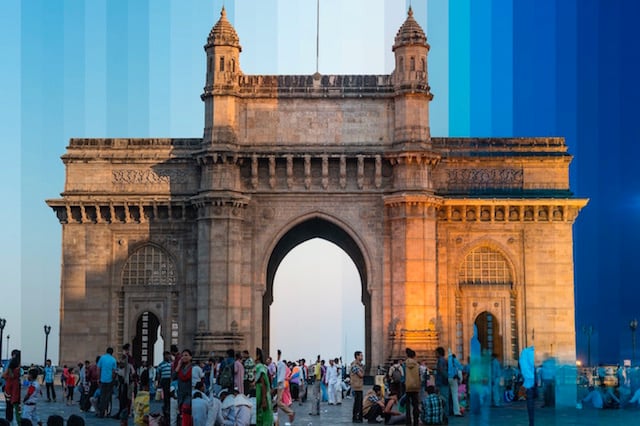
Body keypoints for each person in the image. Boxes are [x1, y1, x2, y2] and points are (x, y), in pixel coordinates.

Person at [96, 347, 118, 418]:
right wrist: (113, 379)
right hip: (110, 381)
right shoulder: (113, 360)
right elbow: (114, 372)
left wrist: (98, 379)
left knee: (102, 397)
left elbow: (98, 369)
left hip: (102, 380)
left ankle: (101, 413)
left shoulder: (102, 358)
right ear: (112, 353)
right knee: (108, 398)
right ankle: (108, 412)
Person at [275, 349, 295, 423]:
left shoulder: (282, 365)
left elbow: (280, 377)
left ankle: (290, 412)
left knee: (278, 402)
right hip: (278, 385)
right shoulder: (276, 364)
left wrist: (275, 386)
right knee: (275, 403)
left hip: (279, 386)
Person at [254, 348, 273, 426]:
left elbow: (263, 383)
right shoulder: (260, 366)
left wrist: (264, 399)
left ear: (258, 356)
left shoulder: (260, 367)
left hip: (261, 393)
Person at [176, 349, 194, 426]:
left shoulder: (194, 368)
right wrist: (178, 365)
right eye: (182, 355)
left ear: (191, 357)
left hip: (190, 395)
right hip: (181, 395)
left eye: (186, 355)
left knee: (186, 411)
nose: (184, 357)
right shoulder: (180, 368)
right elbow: (173, 377)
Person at [3, 349, 22, 424]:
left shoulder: (10, 363)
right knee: (16, 407)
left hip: (8, 388)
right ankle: (17, 421)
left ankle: (9, 421)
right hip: (14, 389)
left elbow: (4, 375)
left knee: (9, 406)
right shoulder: (16, 366)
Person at [403, 348, 421, 426]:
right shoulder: (417, 365)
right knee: (415, 405)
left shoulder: (404, 364)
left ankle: (408, 422)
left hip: (407, 386)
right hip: (415, 386)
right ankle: (416, 422)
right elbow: (420, 375)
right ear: (414, 356)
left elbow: (403, 375)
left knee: (407, 406)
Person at [520, 346, 535, 426]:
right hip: (531, 382)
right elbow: (525, 369)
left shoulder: (526, 352)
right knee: (531, 402)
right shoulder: (526, 352)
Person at [157, 351, 173, 420]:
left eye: (168, 355)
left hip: (170, 381)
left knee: (171, 395)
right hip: (164, 381)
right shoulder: (160, 364)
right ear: (164, 356)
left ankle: (169, 408)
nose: (168, 357)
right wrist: (159, 383)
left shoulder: (171, 364)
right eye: (166, 355)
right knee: (166, 395)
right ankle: (166, 408)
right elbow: (158, 374)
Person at [434, 347, 449, 417]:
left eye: (436, 352)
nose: (435, 354)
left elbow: (442, 371)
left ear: (439, 353)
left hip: (442, 382)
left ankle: (445, 415)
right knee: (444, 399)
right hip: (443, 382)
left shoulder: (440, 360)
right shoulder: (444, 360)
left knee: (444, 399)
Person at [350, 350, 365, 423]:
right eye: (361, 355)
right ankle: (355, 417)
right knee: (357, 403)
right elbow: (361, 375)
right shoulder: (355, 366)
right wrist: (362, 371)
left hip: (359, 386)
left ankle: (359, 417)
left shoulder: (359, 365)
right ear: (357, 356)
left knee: (359, 403)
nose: (362, 357)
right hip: (356, 387)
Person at [447, 351, 463, 417]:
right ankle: (457, 411)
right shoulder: (455, 360)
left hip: (447, 378)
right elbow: (461, 368)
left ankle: (448, 410)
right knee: (455, 396)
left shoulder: (448, 360)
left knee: (448, 395)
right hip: (453, 379)